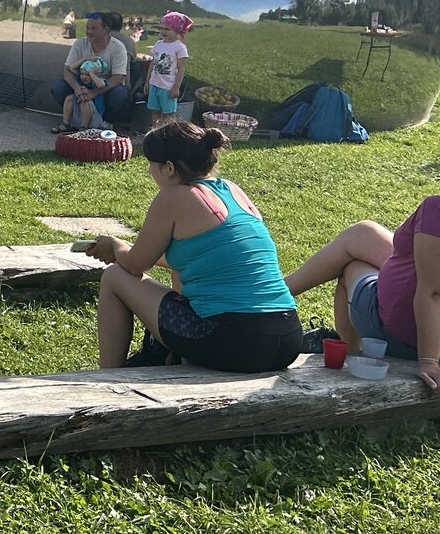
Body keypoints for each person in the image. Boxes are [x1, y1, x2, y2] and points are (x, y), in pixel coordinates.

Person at [87, 121, 300, 372]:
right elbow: (203, 260)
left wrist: (115, 245)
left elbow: (134, 265)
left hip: (236, 341)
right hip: (287, 338)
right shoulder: (232, 191)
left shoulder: (174, 197)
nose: (149, 171)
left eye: (151, 164)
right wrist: (125, 248)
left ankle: (108, 380)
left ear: (168, 168)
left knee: (114, 276)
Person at [282, 130, 440, 393]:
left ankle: (349, 349)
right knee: (364, 233)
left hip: (408, 336)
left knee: (351, 267)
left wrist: (429, 361)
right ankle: (278, 291)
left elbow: (437, 293)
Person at [52, 12, 129, 133]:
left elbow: (118, 78)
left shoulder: (118, 48)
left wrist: (94, 93)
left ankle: (104, 122)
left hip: (104, 86)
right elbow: (67, 70)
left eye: (94, 28)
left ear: (106, 30)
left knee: (120, 94)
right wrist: (77, 89)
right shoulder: (80, 43)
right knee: (58, 88)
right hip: (82, 82)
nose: (89, 32)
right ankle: (74, 120)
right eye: (87, 28)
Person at [146, 13, 192, 117]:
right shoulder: (158, 44)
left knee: (168, 115)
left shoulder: (179, 47)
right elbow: (152, 64)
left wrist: (176, 87)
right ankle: (156, 131)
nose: (163, 31)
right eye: (161, 28)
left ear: (176, 30)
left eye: (167, 29)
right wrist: (147, 82)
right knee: (154, 112)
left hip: (167, 87)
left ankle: (168, 132)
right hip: (154, 84)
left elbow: (181, 70)